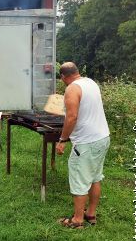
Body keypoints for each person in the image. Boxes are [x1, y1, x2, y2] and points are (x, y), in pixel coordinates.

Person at [56, 62, 110, 228]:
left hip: (86, 143)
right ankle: (91, 214)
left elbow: (71, 117)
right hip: (102, 137)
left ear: (63, 77)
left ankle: (77, 220)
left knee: (80, 179)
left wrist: (63, 140)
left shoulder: (72, 88)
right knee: (95, 177)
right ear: (77, 72)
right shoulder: (91, 83)